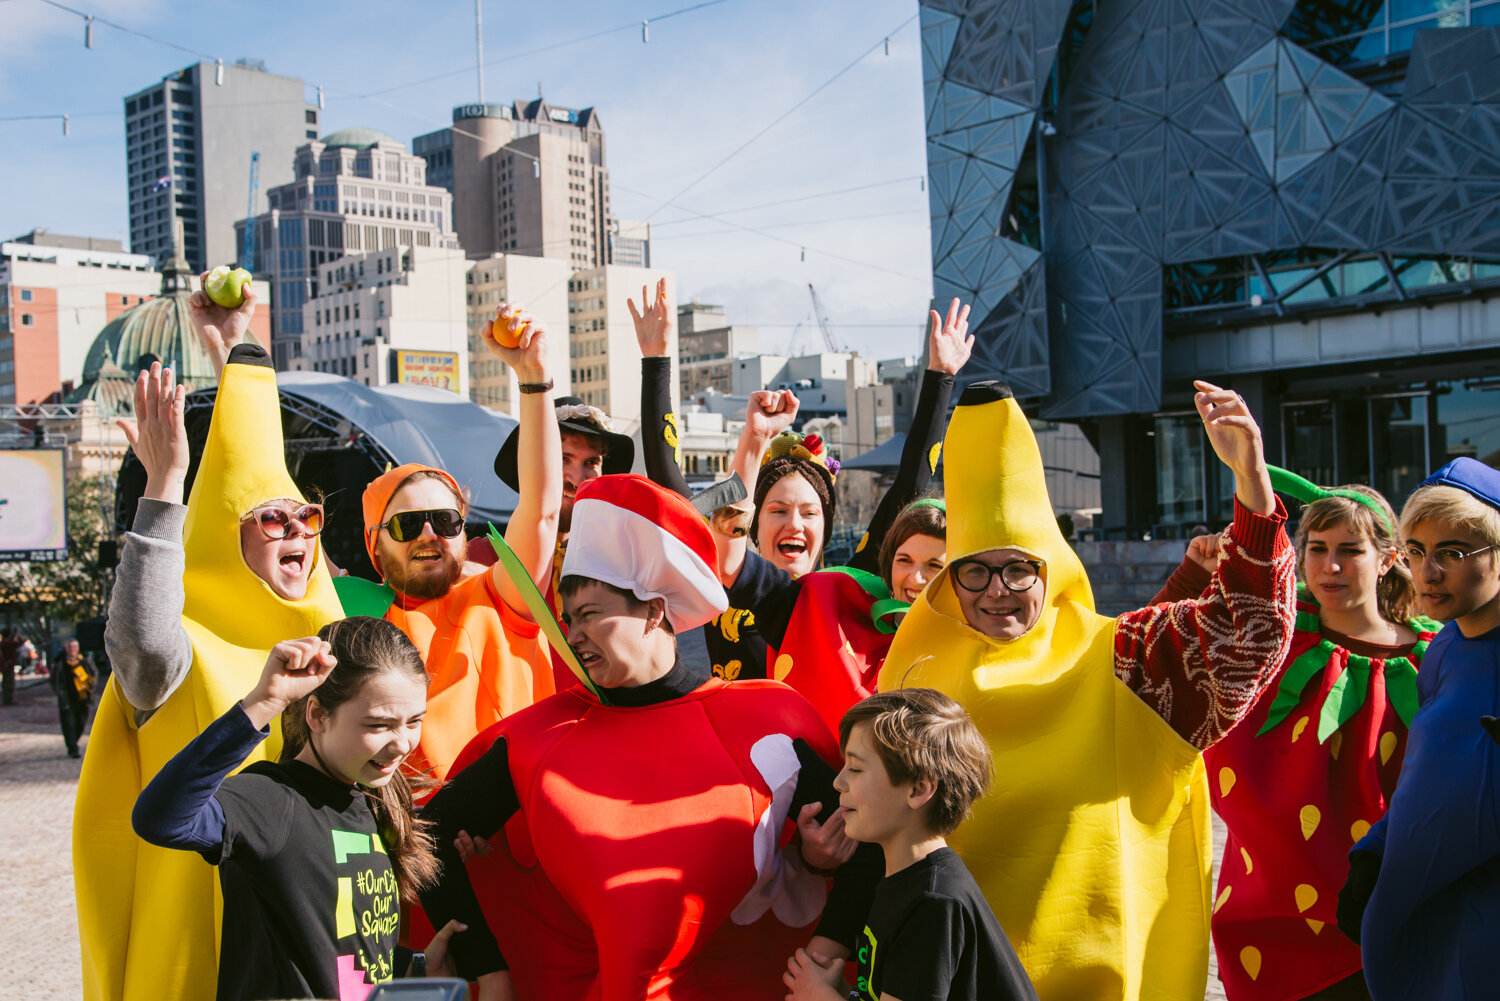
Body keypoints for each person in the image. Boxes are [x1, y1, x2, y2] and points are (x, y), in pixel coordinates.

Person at [877, 380, 1297, 1001]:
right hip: (952, 978)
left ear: (1051, 568)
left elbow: (1248, 634)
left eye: (1019, 567)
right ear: (950, 583)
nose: (997, 589)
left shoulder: (1122, 659)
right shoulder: (911, 673)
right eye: (975, 570)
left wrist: (1252, 484)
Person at [417, 474, 871, 1001]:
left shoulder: (768, 719)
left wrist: (821, 960)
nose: (573, 634)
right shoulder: (536, 739)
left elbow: (872, 844)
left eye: (590, 614)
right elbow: (425, 837)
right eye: (567, 620)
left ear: (654, 610)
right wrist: (489, 973)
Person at [75, 277, 347, 1001]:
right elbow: (139, 639)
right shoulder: (184, 655)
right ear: (226, 542)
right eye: (271, 518)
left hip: (309, 953)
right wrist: (165, 485)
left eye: (306, 516)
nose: (295, 529)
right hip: (207, 957)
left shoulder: (336, 649)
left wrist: (240, 346)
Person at [1152, 474, 1439, 1001]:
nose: (1330, 567)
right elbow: (1157, 660)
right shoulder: (1273, 635)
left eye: (1350, 551)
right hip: (1271, 917)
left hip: (1396, 906)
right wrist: (1195, 574)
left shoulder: (1436, 655)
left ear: (1388, 557)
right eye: (1317, 549)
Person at [132, 617, 468, 1000]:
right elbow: (160, 819)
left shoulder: (375, 803)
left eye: (414, 721)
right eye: (378, 725)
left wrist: (412, 967)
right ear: (317, 715)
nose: (402, 743)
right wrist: (262, 704)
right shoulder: (273, 801)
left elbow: (338, 952)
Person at [668, 293, 968, 685]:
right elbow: (713, 528)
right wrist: (753, 440)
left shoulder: (848, 591)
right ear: (754, 525)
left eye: (810, 513)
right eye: (777, 510)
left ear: (826, 528)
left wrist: (940, 376)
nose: (794, 523)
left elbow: (908, 488)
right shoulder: (742, 581)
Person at [360, 303, 564, 783]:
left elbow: (540, 507)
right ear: (375, 544)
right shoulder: (354, 621)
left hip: (511, 835)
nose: (429, 533)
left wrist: (534, 379)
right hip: (409, 844)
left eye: (445, 520)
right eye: (409, 525)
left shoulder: (499, 597)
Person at [1335, 457, 1500, 1000]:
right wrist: (1375, 851)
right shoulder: (1446, 646)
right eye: (1417, 552)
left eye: (1453, 553)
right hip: (1422, 916)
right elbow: (1424, 773)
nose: (1427, 573)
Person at [783, 688, 1037, 1001]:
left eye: (856, 768)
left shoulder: (932, 902)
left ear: (918, 790)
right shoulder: (904, 878)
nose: (838, 781)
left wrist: (819, 996)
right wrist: (840, 991)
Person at [53, 638, 96, 758]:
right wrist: (60, 695)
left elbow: (94, 674)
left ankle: (73, 742)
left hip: (83, 698)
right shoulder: (60, 663)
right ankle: (73, 749)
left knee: (81, 723)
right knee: (69, 725)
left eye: (74, 647)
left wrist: (91, 689)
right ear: (66, 649)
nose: (72, 650)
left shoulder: (85, 660)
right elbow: (55, 680)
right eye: (70, 647)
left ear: (78, 648)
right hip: (67, 700)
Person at [1, 627, 22, 705]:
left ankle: (6, 699)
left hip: (4, 665)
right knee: (9, 683)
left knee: (5, 682)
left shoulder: (3, 642)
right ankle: (8, 700)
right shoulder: (9, 643)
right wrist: (17, 635)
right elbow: (20, 643)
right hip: (9, 665)